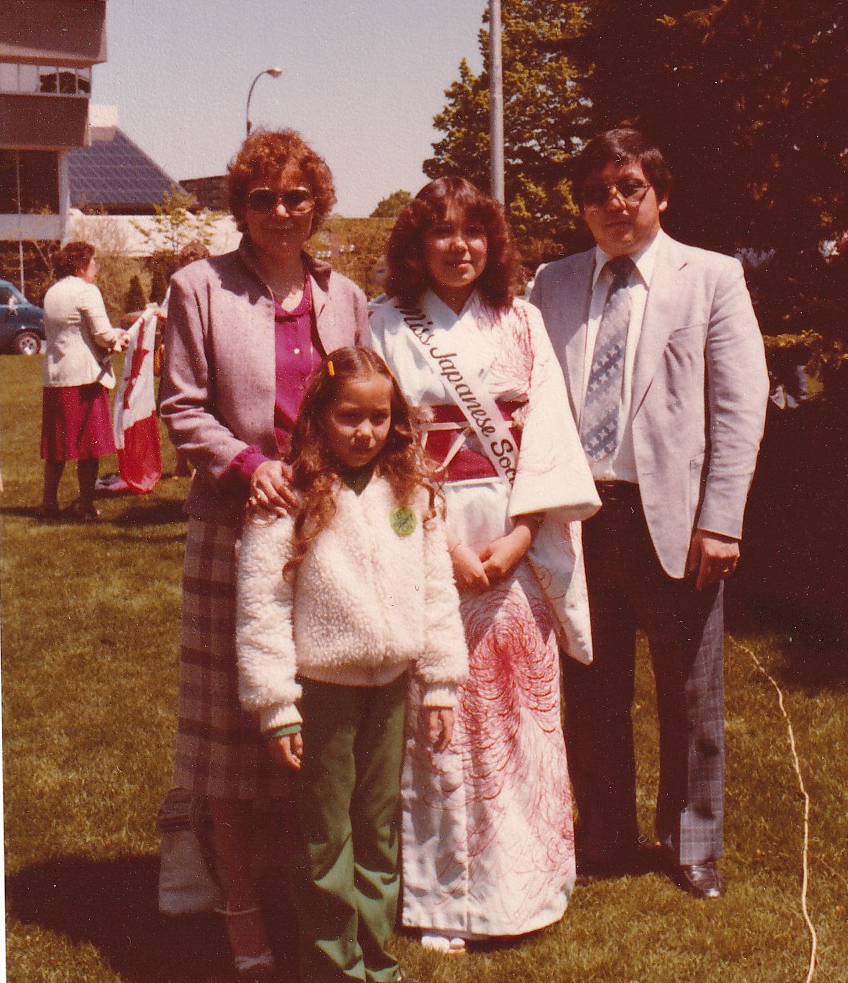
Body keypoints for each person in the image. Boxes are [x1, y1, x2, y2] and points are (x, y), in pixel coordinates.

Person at [530, 129, 769, 899]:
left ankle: (692, 843)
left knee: (689, 691)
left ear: (659, 194)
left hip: (673, 519)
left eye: (629, 187)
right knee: (592, 686)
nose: (614, 204)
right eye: (597, 191)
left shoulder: (711, 278)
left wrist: (722, 519)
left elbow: (739, 406)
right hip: (578, 515)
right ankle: (602, 835)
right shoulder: (553, 283)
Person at [159, 128, 369, 979]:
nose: (282, 212)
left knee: (309, 725)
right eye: (262, 198)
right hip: (233, 524)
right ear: (239, 206)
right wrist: (248, 466)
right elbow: (180, 408)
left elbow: (361, 399)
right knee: (227, 733)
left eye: (296, 197)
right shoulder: (197, 287)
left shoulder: (345, 294)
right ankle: (240, 914)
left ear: (317, 203)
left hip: (323, 529)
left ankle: (303, 901)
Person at [370, 177, 599, 951]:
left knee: (517, 715)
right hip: (425, 538)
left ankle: (525, 886)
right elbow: (382, 448)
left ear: (493, 243)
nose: (459, 247)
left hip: (514, 540)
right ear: (417, 245)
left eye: (474, 231)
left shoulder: (524, 323)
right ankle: (441, 901)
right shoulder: (385, 327)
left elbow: (551, 439)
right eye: (442, 232)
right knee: (437, 715)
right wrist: (447, 547)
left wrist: (524, 535)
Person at [236, 346, 467, 983]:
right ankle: (332, 965)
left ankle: (375, 957)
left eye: (379, 418)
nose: (365, 432)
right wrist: (277, 706)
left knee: (378, 826)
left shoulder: (410, 489)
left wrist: (442, 683)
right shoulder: (288, 494)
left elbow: (436, 586)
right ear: (318, 417)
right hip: (322, 692)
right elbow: (263, 604)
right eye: (348, 417)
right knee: (325, 834)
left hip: (390, 688)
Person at [39, 240, 128, 519]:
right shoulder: (87, 291)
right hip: (84, 379)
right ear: (80, 266)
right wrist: (118, 339)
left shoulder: (52, 292)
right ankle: (86, 505)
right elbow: (102, 334)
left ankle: (48, 503)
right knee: (89, 448)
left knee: (57, 448)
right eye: (93, 262)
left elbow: (75, 332)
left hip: (56, 378)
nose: (96, 267)